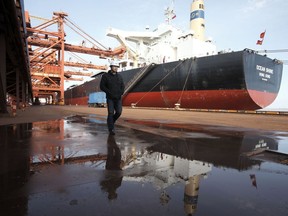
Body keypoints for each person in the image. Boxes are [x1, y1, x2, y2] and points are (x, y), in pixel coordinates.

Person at [100, 61, 125, 135]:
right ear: (111, 67)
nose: (116, 68)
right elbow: (102, 86)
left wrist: (121, 93)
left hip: (118, 98)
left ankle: (110, 122)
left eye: (117, 67)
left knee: (119, 112)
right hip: (110, 98)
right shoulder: (105, 76)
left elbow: (122, 86)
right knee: (111, 113)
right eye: (114, 66)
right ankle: (111, 129)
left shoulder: (119, 76)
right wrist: (109, 92)